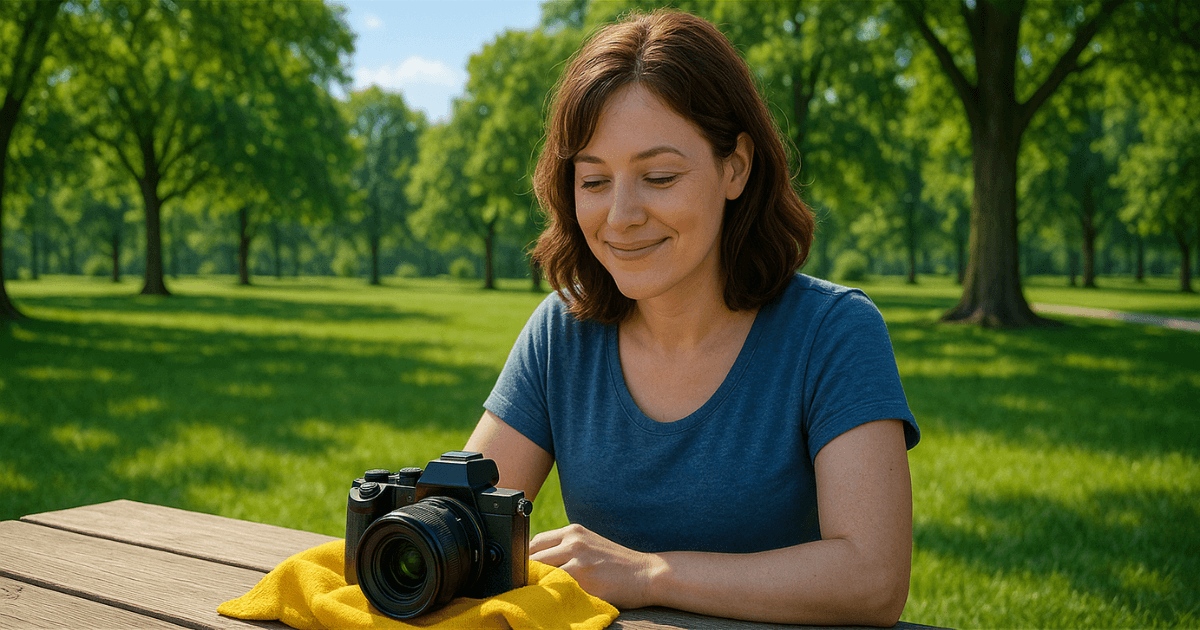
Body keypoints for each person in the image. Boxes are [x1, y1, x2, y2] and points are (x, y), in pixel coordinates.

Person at [465, 9, 919, 626]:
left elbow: (872, 580)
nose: (620, 216)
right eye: (594, 180)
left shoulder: (834, 332)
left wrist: (650, 573)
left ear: (734, 167)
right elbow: (465, 522)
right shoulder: (562, 332)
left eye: (658, 176)